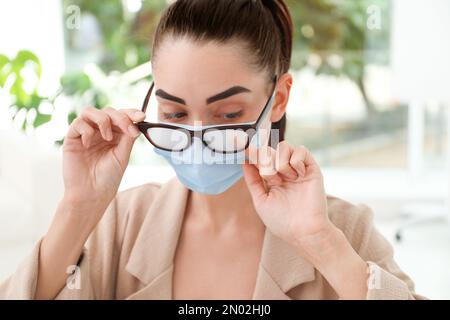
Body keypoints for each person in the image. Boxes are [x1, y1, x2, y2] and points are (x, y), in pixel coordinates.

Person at [0, 0, 423, 300]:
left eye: (227, 114)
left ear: (278, 99)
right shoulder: (121, 224)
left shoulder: (346, 231)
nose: (198, 138)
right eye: (175, 112)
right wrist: (78, 208)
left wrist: (321, 243)